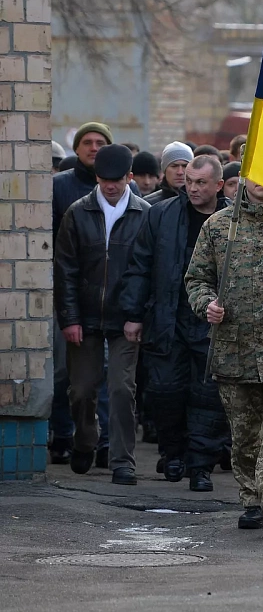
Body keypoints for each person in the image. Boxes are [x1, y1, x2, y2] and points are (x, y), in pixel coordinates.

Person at [185, 178, 263, 535]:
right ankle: (253, 499)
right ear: (241, 180)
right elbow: (196, 278)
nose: (262, 182)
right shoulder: (220, 225)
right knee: (245, 432)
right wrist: (205, 304)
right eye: (254, 175)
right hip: (234, 349)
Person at [120, 155, 230, 491]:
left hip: (215, 323)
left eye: (201, 183)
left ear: (218, 186)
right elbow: (140, 265)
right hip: (169, 317)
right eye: (190, 181)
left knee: (209, 396)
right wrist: (133, 314)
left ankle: (201, 466)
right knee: (165, 391)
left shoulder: (232, 222)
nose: (193, 188)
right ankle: (173, 453)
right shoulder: (163, 215)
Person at [54, 144, 150, 485]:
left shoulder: (143, 213)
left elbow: (146, 269)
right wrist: (69, 318)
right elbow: (65, 268)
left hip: (126, 316)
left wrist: (137, 314)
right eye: (104, 179)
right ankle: (85, 441)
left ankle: (122, 460)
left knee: (123, 388)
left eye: (117, 180)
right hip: (85, 314)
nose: (110, 186)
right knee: (80, 389)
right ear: (96, 177)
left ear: (129, 177)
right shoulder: (78, 213)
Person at [49, 121, 114, 467]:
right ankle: (64, 435)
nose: (94, 147)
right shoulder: (60, 188)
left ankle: (100, 443)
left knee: (105, 376)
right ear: (76, 149)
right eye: (87, 142)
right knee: (66, 375)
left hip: (110, 301)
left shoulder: (119, 193)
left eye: (100, 142)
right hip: (69, 296)